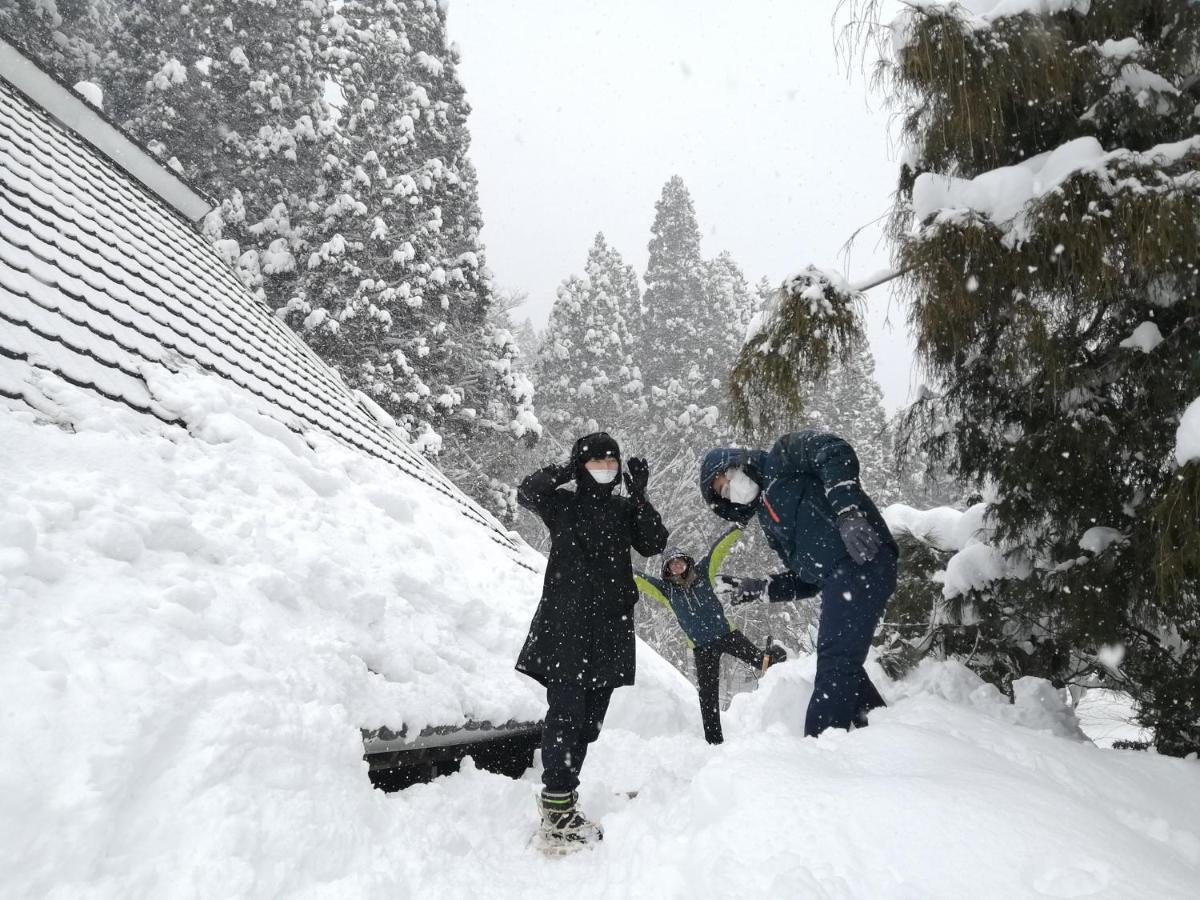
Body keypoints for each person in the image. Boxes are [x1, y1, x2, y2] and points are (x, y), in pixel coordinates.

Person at [516, 432, 668, 848]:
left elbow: (654, 541)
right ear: (582, 467)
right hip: (566, 624)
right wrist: (565, 470)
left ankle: (564, 797)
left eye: (611, 462)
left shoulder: (623, 509)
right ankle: (557, 809)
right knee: (565, 714)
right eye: (595, 461)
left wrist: (639, 496)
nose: (605, 468)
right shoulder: (561, 504)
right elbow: (527, 493)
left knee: (588, 723)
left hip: (610, 628)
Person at [698, 431, 898, 738]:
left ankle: (817, 756)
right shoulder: (769, 522)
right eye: (722, 493)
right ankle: (883, 732)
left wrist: (847, 511)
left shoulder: (783, 457)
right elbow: (809, 579)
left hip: (863, 556)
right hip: (837, 578)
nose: (729, 491)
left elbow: (834, 451)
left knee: (835, 663)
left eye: (725, 480)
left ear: (736, 464)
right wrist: (760, 587)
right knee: (843, 664)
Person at [634, 530, 787, 745]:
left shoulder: (703, 573)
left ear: (687, 563)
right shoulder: (666, 591)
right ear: (667, 569)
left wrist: (738, 527)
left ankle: (781, 661)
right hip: (701, 647)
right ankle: (714, 742)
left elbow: (718, 549)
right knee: (708, 695)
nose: (677, 566)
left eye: (680, 562)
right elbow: (640, 580)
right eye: (672, 564)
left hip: (727, 634)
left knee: (761, 661)